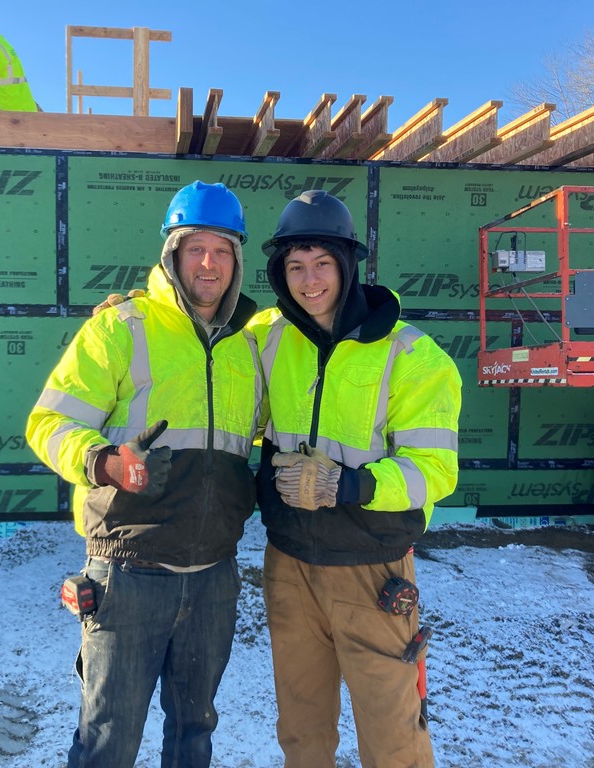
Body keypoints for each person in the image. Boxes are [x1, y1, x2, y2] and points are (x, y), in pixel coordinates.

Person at [26, 180, 264, 768]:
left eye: (222, 250)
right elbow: (48, 423)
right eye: (195, 248)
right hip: (128, 573)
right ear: (172, 253)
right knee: (108, 739)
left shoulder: (250, 344)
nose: (208, 263)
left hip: (213, 577)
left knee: (194, 734)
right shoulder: (121, 327)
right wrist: (106, 462)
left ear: (237, 260)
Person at [250, 189, 462, 768]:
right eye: (295, 266)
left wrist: (348, 485)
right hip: (289, 563)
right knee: (301, 730)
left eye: (322, 263)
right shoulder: (267, 336)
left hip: (372, 572)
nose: (309, 280)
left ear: (348, 265)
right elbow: (199, 347)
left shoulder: (413, 356)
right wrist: (144, 307)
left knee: (393, 737)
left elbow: (434, 470)